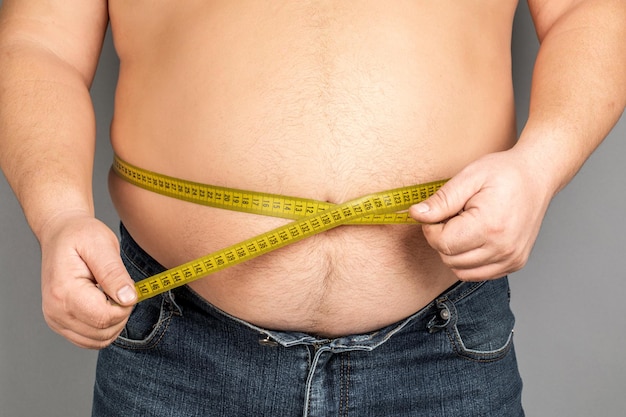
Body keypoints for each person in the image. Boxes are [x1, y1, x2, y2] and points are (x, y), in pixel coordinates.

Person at [0, 0, 624, 416]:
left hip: (443, 345)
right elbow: (37, 42)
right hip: (176, 352)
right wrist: (57, 213)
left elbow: (588, 8)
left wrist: (539, 166)